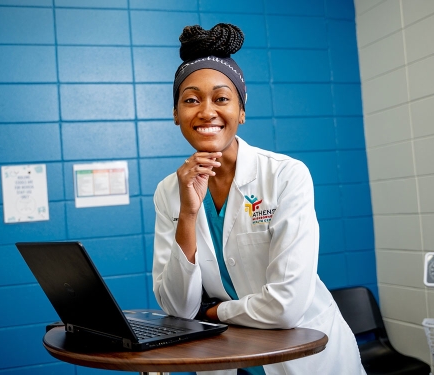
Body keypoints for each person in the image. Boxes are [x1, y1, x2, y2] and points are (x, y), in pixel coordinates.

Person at [152, 23, 366, 375]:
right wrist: (188, 215)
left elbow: (285, 306)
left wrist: (212, 312)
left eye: (222, 98)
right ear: (176, 114)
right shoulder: (168, 191)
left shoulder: (285, 175)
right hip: (225, 358)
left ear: (241, 111)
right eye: (191, 100)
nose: (206, 112)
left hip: (305, 357)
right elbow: (177, 306)